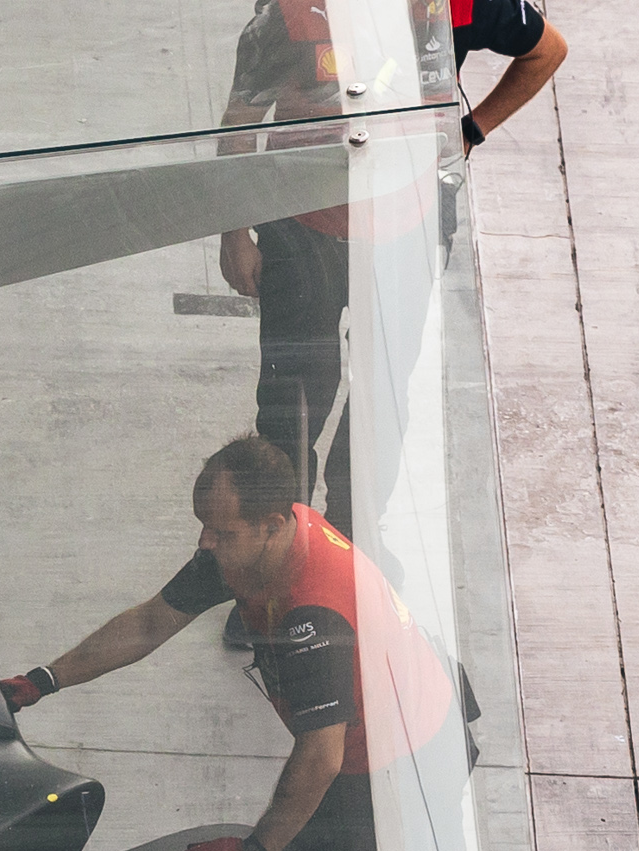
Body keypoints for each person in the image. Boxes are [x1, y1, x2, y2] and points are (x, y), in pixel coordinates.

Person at [0, 434, 464, 851]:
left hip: (405, 763)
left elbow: (323, 756)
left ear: (272, 525)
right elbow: (151, 622)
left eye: (222, 532)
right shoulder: (251, 549)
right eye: (204, 526)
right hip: (388, 718)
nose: (205, 542)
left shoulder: (314, 616)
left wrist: (254, 850)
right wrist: (44, 680)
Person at [208, 0, 565, 519]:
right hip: (303, 233)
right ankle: (282, 545)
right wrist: (233, 234)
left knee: (381, 403)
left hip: (405, 234)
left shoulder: (461, 5)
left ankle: (351, 544)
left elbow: (546, 51)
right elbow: (241, 119)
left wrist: (470, 132)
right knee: (293, 407)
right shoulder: (292, 16)